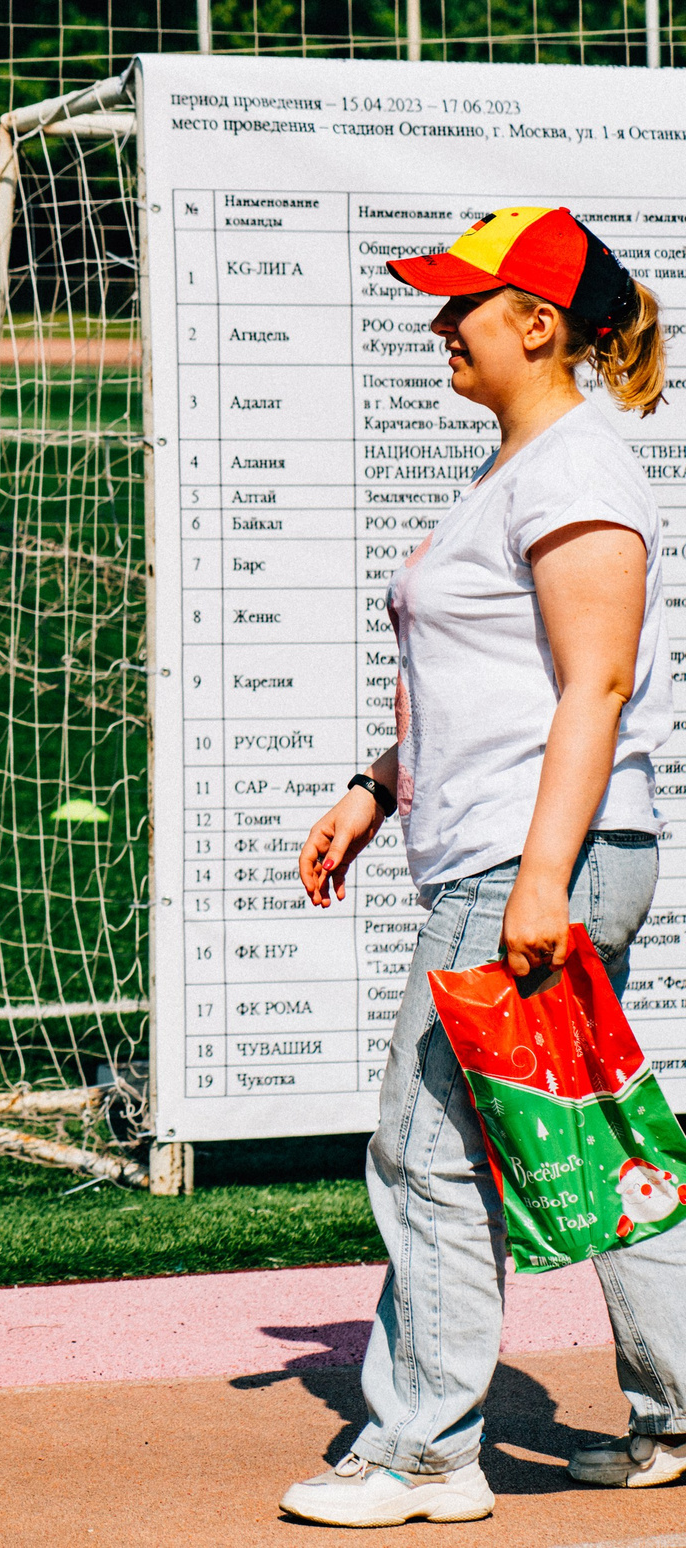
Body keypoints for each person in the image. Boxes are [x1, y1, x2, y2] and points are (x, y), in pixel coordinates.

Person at [286, 206, 686, 1527]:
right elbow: (484, 693)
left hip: (531, 857)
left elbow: (596, 685)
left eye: (464, 301)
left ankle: (425, 1452)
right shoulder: (520, 468)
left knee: (428, 1148)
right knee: (589, 1143)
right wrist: (375, 787)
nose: (438, 322)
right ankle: (678, 1410)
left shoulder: (573, 471)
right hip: (528, 846)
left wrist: (537, 881)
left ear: (538, 322)